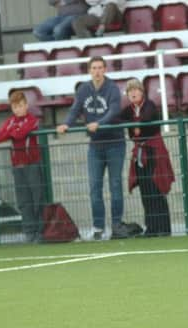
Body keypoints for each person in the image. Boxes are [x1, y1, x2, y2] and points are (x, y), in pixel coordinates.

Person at [57, 56, 129, 240]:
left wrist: (99, 123)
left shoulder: (112, 89)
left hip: (115, 144)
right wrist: (66, 124)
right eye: (93, 68)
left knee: (115, 185)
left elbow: (114, 111)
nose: (97, 71)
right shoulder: (83, 89)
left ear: (105, 69)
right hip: (95, 146)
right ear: (89, 70)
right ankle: (98, 228)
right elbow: (75, 109)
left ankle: (116, 225)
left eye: (100, 68)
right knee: (94, 187)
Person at [120, 78, 175, 237]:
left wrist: (133, 124)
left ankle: (164, 228)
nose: (133, 93)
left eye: (136, 89)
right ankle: (151, 227)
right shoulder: (129, 109)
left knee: (156, 188)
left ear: (142, 92)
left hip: (153, 151)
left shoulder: (149, 105)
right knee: (145, 190)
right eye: (130, 91)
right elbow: (119, 118)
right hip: (139, 152)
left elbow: (147, 119)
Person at [0, 90, 45, 243]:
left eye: (21, 106)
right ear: (12, 108)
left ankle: (40, 231)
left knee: (37, 198)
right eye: (15, 107)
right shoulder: (10, 121)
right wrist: (13, 131)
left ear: (26, 105)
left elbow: (20, 134)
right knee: (24, 201)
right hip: (17, 166)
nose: (18, 109)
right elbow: (0, 137)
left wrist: (13, 132)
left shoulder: (33, 119)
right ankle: (29, 232)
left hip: (32, 164)